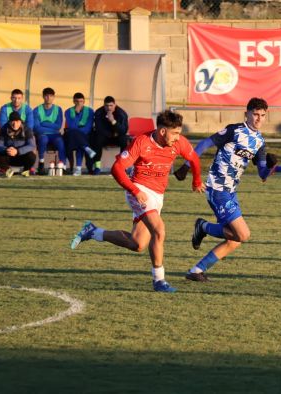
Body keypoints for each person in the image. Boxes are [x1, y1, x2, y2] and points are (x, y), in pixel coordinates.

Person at [70, 110, 204, 292]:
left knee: (138, 244)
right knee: (159, 231)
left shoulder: (178, 142)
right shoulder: (141, 143)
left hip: (158, 195)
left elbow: (194, 159)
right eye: (175, 133)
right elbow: (117, 168)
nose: (178, 138)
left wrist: (196, 181)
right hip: (139, 190)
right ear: (163, 131)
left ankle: (93, 232)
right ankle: (159, 281)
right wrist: (134, 190)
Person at [174, 98, 277, 282]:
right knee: (243, 234)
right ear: (247, 114)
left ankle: (196, 270)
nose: (258, 119)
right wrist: (187, 166)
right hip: (217, 188)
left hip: (231, 191)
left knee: (235, 240)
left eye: (262, 115)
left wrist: (270, 166)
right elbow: (205, 143)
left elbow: (262, 173)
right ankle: (203, 227)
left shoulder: (259, 142)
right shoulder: (234, 130)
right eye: (255, 114)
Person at [91, 96, 129, 175]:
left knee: (124, 140)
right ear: (104, 105)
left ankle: (122, 166)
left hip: (117, 137)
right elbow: (99, 129)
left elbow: (123, 130)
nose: (109, 108)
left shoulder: (121, 113)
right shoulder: (99, 112)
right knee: (97, 138)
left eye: (111, 105)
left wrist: (113, 121)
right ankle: (97, 166)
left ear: (115, 105)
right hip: (106, 136)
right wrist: (111, 134)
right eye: (106, 106)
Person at [33, 87, 65, 175]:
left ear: (54, 97)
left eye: (51, 96)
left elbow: (58, 126)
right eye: (46, 96)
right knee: (43, 140)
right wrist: (52, 128)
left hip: (55, 135)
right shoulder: (36, 109)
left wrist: (44, 123)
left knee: (60, 142)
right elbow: (36, 127)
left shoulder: (58, 109)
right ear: (43, 97)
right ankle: (41, 163)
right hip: (43, 134)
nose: (48, 98)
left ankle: (63, 165)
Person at [0, 111, 36, 178]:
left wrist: (18, 151)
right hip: (8, 156)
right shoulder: (4, 129)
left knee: (32, 156)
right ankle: (7, 170)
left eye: (17, 121)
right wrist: (6, 150)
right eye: (12, 121)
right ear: (9, 122)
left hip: (21, 156)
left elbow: (31, 145)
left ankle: (25, 170)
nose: (15, 124)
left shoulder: (26, 129)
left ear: (20, 121)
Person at [64, 92, 95, 176]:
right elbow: (71, 126)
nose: (79, 103)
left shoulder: (90, 111)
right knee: (76, 138)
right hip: (72, 135)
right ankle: (86, 149)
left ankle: (78, 169)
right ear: (73, 101)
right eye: (77, 101)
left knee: (78, 140)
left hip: (85, 135)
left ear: (84, 101)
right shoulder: (68, 111)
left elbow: (88, 127)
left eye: (81, 101)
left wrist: (79, 133)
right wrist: (77, 114)